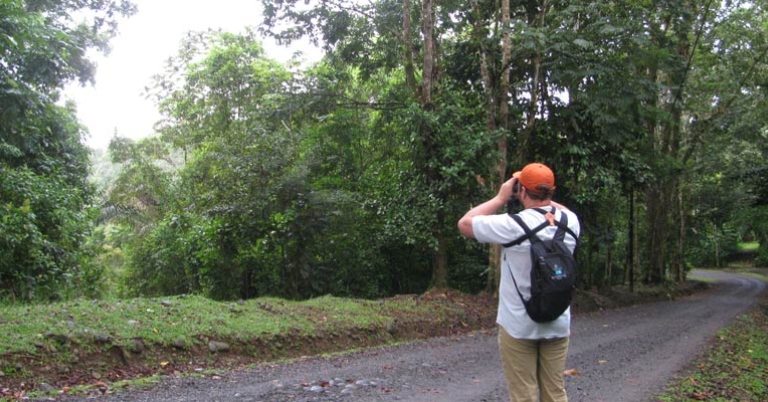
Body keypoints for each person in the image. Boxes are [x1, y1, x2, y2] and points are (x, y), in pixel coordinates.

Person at [457, 162, 580, 402]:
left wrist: (500, 198)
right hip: (557, 321)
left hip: (518, 325)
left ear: (521, 190)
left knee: (524, 395)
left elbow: (465, 223)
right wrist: (546, 199)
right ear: (551, 191)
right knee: (555, 392)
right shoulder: (571, 221)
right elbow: (561, 210)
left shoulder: (512, 225)